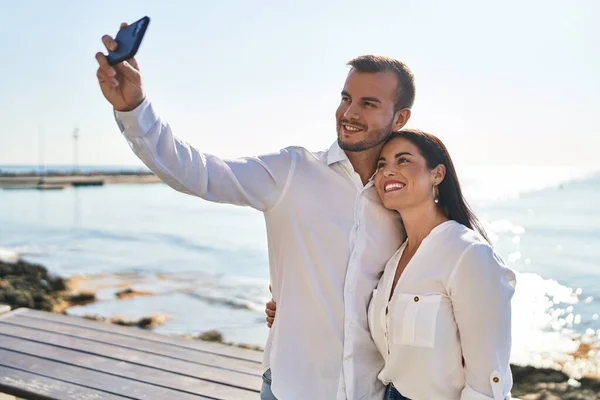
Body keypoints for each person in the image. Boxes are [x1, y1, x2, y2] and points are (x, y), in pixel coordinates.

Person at [95, 23, 414, 400]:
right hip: (292, 389)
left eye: (368, 103)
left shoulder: (406, 197)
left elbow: (440, 279)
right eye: (346, 98)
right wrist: (134, 109)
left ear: (400, 119)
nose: (348, 112)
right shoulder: (292, 171)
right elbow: (200, 173)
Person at [267, 129, 517, 400]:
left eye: (403, 160)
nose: (388, 171)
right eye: (382, 164)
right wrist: (291, 308)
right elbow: (356, 317)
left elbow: (487, 382)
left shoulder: (468, 254)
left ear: (437, 174)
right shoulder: (394, 256)